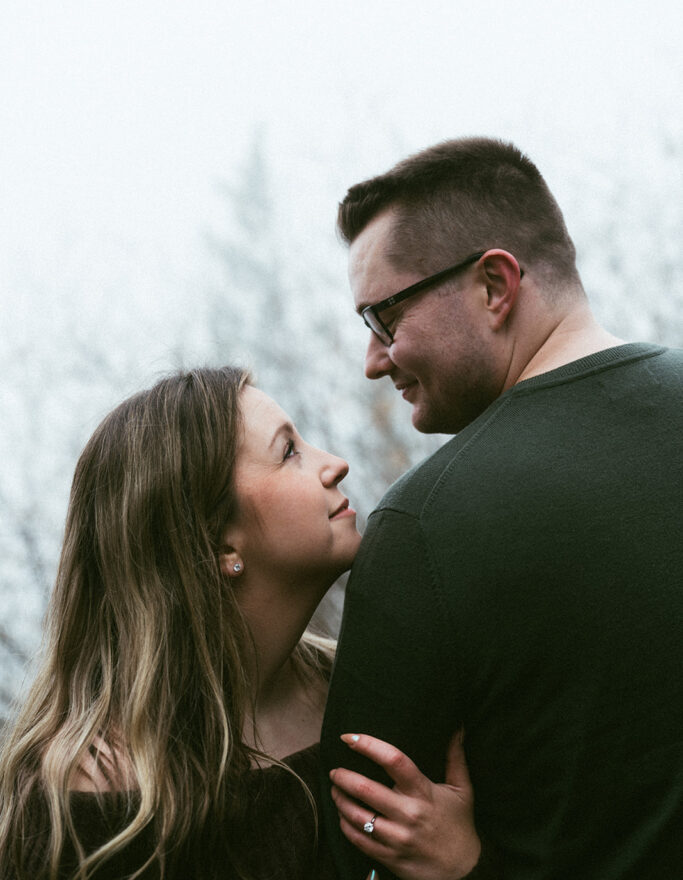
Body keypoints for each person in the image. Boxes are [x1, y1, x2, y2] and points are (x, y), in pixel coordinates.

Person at [320, 137, 683, 879]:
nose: (373, 359)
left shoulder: (422, 530)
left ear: (493, 285)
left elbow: (349, 848)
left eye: (383, 318)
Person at [0, 366, 480, 880]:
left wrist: (463, 865)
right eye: (289, 451)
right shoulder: (86, 797)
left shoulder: (376, 695)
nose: (336, 465)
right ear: (217, 541)